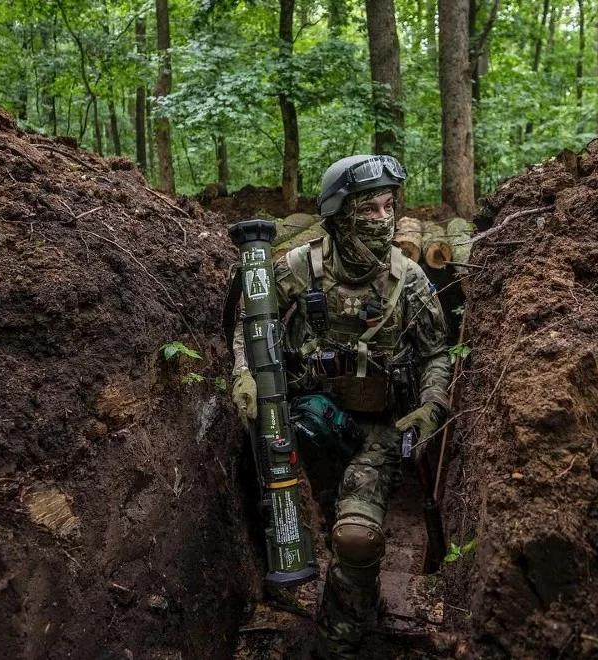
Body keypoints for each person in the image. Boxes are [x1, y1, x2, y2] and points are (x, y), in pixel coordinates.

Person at [228, 155, 451, 658]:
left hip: (379, 431)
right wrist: (243, 374)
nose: (383, 218)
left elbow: (438, 353)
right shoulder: (297, 269)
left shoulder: (410, 280)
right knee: (331, 521)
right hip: (310, 426)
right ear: (338, 213)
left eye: (389, 205)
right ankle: (358, 598)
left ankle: (336, 642)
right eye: (368, 208)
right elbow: (249, 321)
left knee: (355, 538)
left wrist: (430, 408)